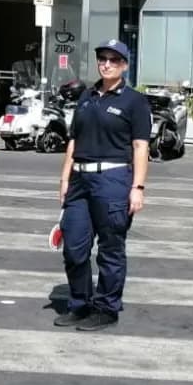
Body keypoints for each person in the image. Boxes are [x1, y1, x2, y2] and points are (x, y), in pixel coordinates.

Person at [55, 39, 151, 331]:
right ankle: (79, 303)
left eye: (114, 59)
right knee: (74, 246)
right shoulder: (86, 96)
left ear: (124, 65)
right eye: (102, 58)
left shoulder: (134, 101)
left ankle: (107, 307)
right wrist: (64, 178)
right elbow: (74, 140)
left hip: (113, 180)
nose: (106, 63)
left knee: (110, 248)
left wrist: (138, 187)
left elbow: (140, 146)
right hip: (80, 181)